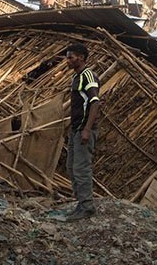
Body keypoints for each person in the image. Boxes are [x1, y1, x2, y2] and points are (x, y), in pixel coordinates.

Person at [65, 43, 101, 221]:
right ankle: (80, 203)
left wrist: (87, 129)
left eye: (70, 57)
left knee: (81, 168)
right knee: (71, 167)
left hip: (84, 130)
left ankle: (87, 206)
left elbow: (95, 102)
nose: (67, 60)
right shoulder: (76, 77)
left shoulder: (88, 76)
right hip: (76, 128)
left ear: (80, 57)